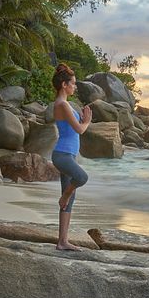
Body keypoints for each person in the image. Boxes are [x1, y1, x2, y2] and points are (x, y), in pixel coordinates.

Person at [51, 63, 92, 251]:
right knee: (81, 178)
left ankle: (62, 242)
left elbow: (75, 127)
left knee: (69, 201)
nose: (75, 86)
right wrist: (87, 122)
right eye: (73, 83)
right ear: (64, 85)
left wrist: (82, 119)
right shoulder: (63, 104)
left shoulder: (63, 104)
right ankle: (65, 195)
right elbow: (79, 130)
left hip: (67, 155)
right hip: (63, 155)